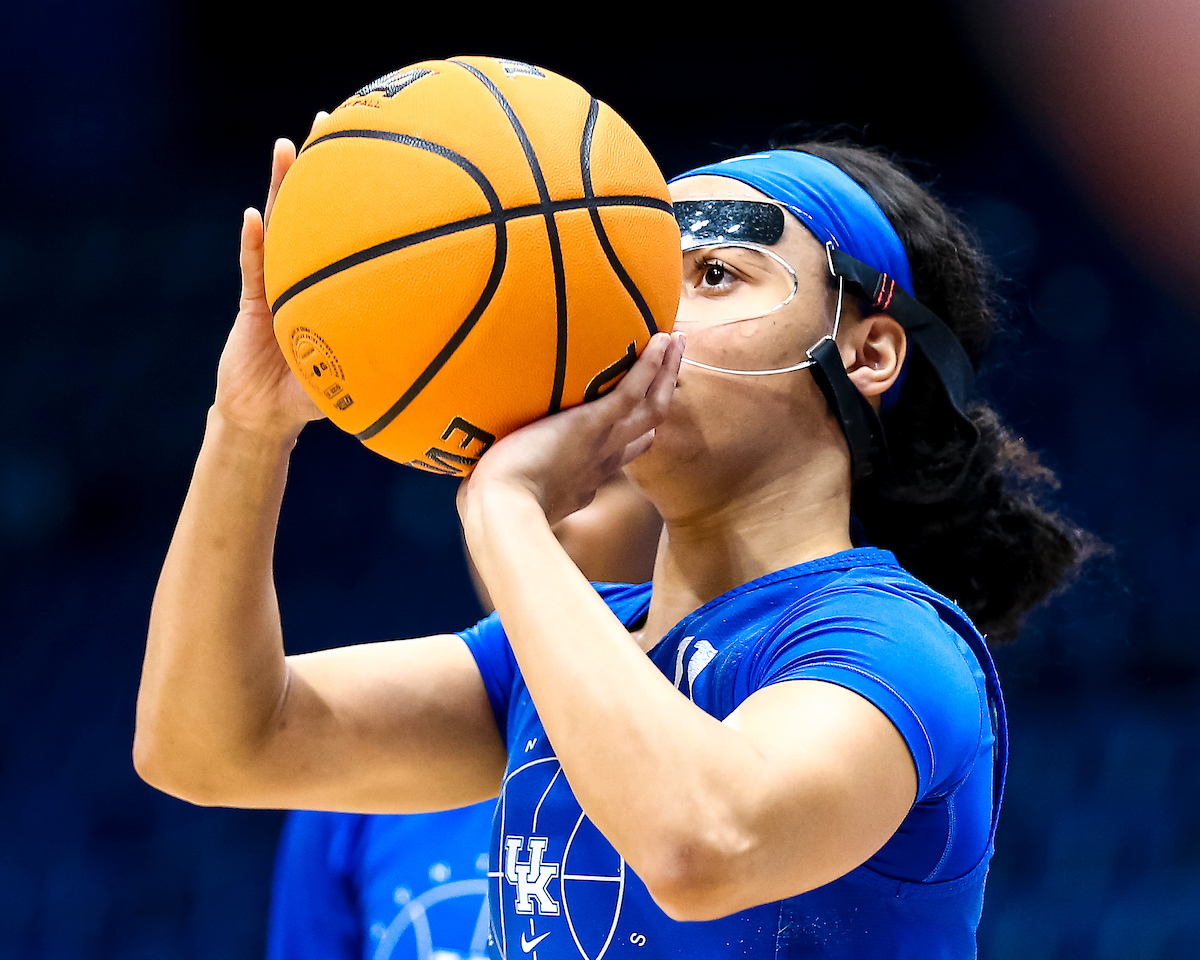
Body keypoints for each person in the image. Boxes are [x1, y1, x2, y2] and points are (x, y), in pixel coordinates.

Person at [134, 131, 1095, 958]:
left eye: (713, 275)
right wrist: (247, 430)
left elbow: (702, 845)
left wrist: (505, 510)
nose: (643, 321)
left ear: (865, 352)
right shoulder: (548, 655)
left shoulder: (896, 644)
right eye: (634, 280)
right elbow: (210, 746)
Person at [267, 478, 662, 960]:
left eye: (590, 483)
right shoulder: (362, 771)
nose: (523, 515)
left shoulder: (734, 727)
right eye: (489, 473)